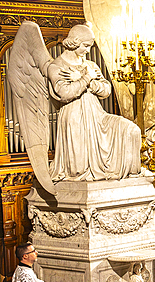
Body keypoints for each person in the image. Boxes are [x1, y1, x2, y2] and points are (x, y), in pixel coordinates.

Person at [48, 25, 142, 183]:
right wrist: (85, 78)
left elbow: (106, 90)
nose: (88, 50)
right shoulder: (57, 66)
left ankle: (131, 176)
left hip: (98, 117)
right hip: (74, 119)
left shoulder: (90, 66)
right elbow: (65, 93)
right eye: (85, 46)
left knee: (131, 129)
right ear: (74, 42)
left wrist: (88, 80)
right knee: (79, 167)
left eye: (90, 46)